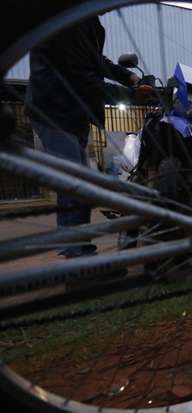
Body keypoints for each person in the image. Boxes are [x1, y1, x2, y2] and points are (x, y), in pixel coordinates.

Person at [26, 16, 141, 258]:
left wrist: (129, 77)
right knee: (72, 185)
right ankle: (77, 258)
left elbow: (95, 61)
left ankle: (78, 251)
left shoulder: (86, 17)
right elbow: (79, 74)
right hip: (55, 109)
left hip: (72, 111)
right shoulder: (67, 17)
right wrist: (128, 94)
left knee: (77, 185)